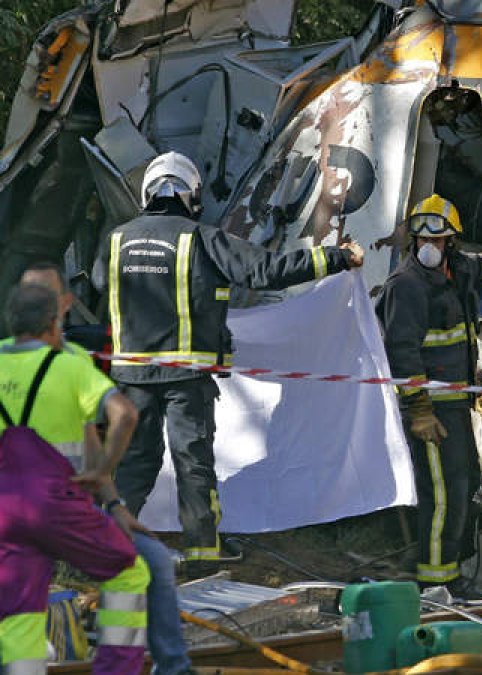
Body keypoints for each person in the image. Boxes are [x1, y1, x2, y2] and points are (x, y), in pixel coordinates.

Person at [92, 151, 365, 577]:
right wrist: (337, 257)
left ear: (149, 191)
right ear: (190, 194)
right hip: (186, 378)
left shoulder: (115, 239)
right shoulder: (200, 237)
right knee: (192, 463)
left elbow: (97, 283)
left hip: (131, 377)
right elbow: (265, 271)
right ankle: (203, 557)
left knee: (134, 464)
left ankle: (107, 550)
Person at [12, 262, 194, 674]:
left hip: (59, 510)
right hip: (45, 511)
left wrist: (115, 505)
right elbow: (122, 417)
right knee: (128, 575)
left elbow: (89, 440)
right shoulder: (55, 364)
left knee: (153, 560)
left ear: (64, 303)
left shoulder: (72, 361)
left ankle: (173, 667)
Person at [376, 194, 482, 597]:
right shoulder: (405, 285)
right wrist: (420, 410)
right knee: (442, 495)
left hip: (457, 404)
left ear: (452, 242)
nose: (431, 246)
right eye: (424, 239)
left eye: (440, 239)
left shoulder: (456, 268)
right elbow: (401, 352)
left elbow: (480, 265)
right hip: (431, 409)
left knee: (463, 486)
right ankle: (436, 584)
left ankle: (454, 569)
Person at [0, 283, 149, 675]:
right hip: (53, 502)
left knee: (21, 605)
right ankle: (118, 669)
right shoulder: (66, 365)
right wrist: (102, 472)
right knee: (129, 572)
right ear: (53, 324)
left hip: (3, 509)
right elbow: (125, 415)